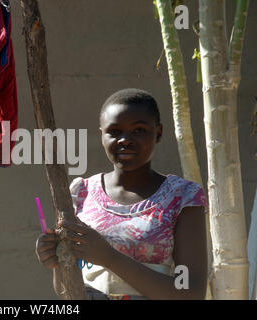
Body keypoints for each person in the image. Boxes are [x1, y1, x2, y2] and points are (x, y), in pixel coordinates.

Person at [35, 88, 208, 300]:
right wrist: (56, 262)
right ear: (102, 136)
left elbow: (190, 293)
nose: (125, 140)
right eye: (114, 131)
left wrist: (109, 258)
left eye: (138, 130)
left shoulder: (182, 197)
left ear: (159, 132)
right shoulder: (81, 192)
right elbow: (66, 288)